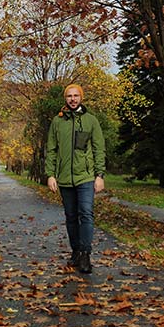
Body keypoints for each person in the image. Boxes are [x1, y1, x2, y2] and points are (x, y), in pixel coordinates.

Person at [45, 83, 106, 274]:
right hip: (64, 178)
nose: (72, 99)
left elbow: (99, 149)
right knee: (71, 217)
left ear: (81, 97)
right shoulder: (57, 121)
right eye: (69, 96)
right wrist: (50, 174)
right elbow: (52, 150)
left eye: (76, 96)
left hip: (86, 177)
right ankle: (76, 251)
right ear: (65, 98)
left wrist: (99, 175)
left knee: (86, 213)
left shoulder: (91, 121)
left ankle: (86, 254)